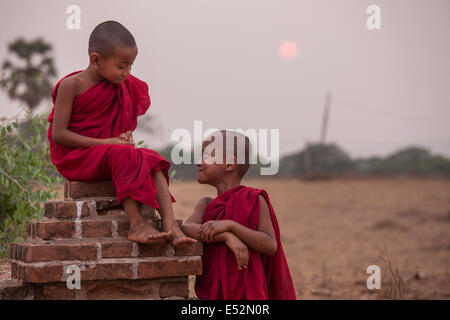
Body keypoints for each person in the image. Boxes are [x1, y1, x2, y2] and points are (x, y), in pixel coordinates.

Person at [48, 20, 196, 247]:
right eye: (121, 66)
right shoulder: (71, 85)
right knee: (121, 153)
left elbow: (116, 127)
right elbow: (59, 134)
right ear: (95, 60)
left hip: (106, 152)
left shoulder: (120, 86)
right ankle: (136, 225)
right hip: (77, 156)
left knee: (153, 159)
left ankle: (170, 224)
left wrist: (120, 139)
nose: (127, 73)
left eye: (131, 66)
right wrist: (107, 142)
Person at [182, 130, 296, 299]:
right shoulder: (206, 204)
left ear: (229, 164)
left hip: (248, 293)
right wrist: (227, 236)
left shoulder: (254, 199)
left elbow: (270, 245)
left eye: (206, 156)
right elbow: (187, 228)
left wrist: (231, 225)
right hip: (212, 291)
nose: (199, 162)